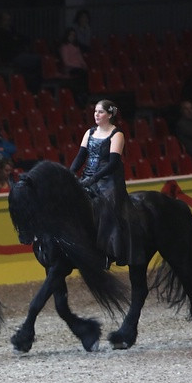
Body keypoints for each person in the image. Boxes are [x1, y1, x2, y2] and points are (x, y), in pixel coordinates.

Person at [68, 99, 131, 266]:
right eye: (95, 111)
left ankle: (108, 252)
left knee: (105, 206)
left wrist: (94, 178)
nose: (96, 114)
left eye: (100, 112)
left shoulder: (117, 134)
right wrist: (69, 173)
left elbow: (113, 163)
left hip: (108, 179)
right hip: (88, 175)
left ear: (109, 115)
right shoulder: (90, 132)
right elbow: (81, 156)